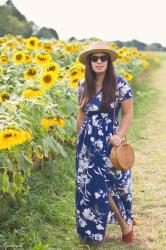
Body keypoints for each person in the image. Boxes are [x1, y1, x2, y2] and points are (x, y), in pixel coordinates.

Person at [75, 41, 134, 244]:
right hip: (87, 143)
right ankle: (101, 231)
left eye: (103, 58)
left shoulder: (119, 84)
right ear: (89, 62)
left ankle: (127, 217)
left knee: (117, 185)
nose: (99, 61)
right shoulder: (83, 85)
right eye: (94, 58)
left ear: (108, 61)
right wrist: (78, 141)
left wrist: (120, 135)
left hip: (110, 141)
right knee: (93, 185)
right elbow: (81, 116)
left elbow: (127, 113)